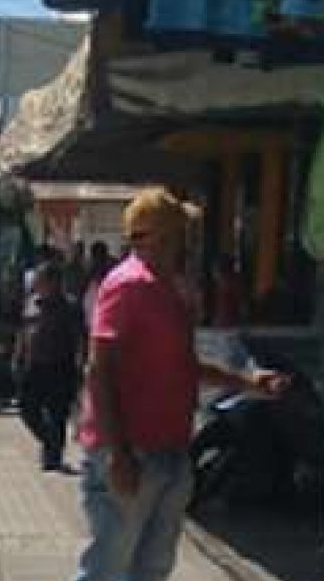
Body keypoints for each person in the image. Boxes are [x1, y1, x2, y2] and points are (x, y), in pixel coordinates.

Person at [73, 188, 290, 581]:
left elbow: (181, 365)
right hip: (130, 451)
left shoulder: (170, 289)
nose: (188, 242)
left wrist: (246, 382)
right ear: (161, 236)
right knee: (108, 568)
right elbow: (99, 370)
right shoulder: (128, 286)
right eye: (181, 233)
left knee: (151, 568)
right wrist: (119, 454)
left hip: (168, 448)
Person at [14, 261, 84, 472]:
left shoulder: (70, 307)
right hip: (34, 366)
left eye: (42, 280)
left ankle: (52, 456)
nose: (37, 284)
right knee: (27, 409)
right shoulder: (32, 303)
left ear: (55, 282)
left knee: (57, 413)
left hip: (59, 366)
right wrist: (18, 356)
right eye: (37, 280)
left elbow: (79, 338)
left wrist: (80, 366)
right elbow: (23, 331)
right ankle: (49, 441)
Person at [80, 241, 116, 330]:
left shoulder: (113, 277)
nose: (97, 261)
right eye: (96, 257)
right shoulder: (88, 277)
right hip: (89, 325)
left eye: (101, 257)